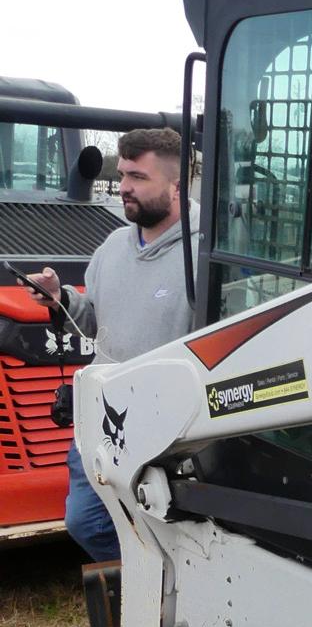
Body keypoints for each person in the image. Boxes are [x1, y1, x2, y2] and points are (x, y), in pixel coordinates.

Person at [31, 128, 197, 562]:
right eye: (123, 174)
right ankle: (141, 580)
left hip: (168, 433)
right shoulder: (111, 248)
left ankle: (162, 590)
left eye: (138, 177)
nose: (123, 186)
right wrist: (62, 299)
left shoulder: (206, 255)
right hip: (104, 419)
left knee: (168, 533)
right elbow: (95, 319)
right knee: (85, 521)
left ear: (177, 185)